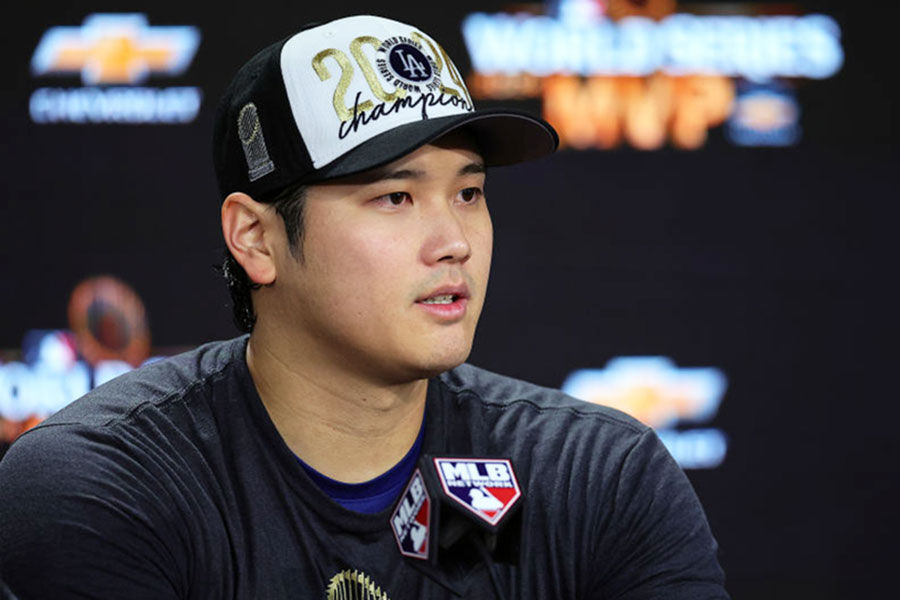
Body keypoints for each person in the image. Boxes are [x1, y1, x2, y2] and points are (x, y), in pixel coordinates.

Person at [0, 14, 728, 599]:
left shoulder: (599, 477)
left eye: (468, 193)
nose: (455, 242)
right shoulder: (99, 485)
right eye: (395, 197)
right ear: (255, 238)